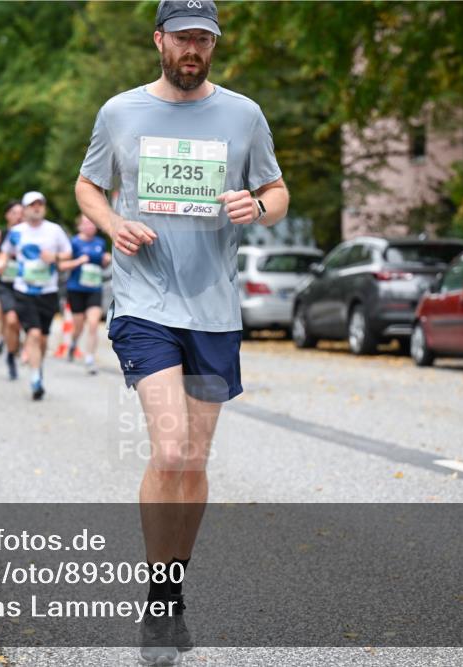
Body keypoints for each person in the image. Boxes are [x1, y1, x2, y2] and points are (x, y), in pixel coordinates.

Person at [74, 1, 289, 662]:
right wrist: (113, 225)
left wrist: (255, 204)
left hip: (215, 308)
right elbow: (88, 186)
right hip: (144, 302)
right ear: (159, 40)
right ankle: (158, 602)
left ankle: (169, 596)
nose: (195, 51)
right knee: (169, 450)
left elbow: (278, 193)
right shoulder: (120, 112)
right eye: (185, 39)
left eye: (206, 40)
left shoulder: (244, 115)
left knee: (193, 460)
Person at [0, 191, 71, 400]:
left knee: (44, 338)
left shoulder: (54, 230)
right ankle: (35, 377)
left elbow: (68, 253)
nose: (37, 208)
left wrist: (54, 256)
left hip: (48, 290)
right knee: (34, 334)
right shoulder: (17, 232)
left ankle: (38, 367)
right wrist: (2, 262)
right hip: (24, 289)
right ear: (25, 209)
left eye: (40, 204)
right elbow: (5, 251)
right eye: (32, 205)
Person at [59, 214, 111, 374]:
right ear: (79, 226)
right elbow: (62, 265)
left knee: (94, 323)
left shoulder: (100, 243)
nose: (90, 226)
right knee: (78, 326)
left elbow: (103, 264)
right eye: (86, 223)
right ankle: (73, 343)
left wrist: (106, 260)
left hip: (94, 288)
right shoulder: (73, 243)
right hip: (76, 289)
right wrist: (78, 261)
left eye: (92, 223)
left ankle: (89, 358)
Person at [0, 200, 24, 379]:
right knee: (11, 320)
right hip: (5, 282)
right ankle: (11, 356)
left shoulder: (29, 233)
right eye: (14, 212)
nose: (18, 216)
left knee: (19, 322)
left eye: (21, 212)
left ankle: (13, 345)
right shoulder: (1, 234)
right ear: (7, 215)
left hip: (25, 282)